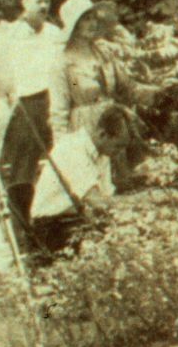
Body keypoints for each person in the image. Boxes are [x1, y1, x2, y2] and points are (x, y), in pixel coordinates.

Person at [49, 0, 156, 183]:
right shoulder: (63, 62)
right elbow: (60, 108)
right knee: (97, 183)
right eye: (86, 19)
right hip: (85, 130)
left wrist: (157, 94)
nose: (92, 23)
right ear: (74, 24)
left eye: (94, 18)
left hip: (113, 125)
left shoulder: (103, 53)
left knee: (126, 184)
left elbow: (127, 87)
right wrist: (63, 149)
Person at [0, 0, 64, 230]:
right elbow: (0, 74)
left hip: (54, 101)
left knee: (62, 159)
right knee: (24, 166)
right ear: (24, 2)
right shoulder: (10, 35)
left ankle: (52, 221)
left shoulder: (54, 33)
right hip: (25, 105)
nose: (44, 6)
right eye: (38, 1)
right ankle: (21, 226)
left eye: (47, 1)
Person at [27, 105, 131, 260]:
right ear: (102, 134)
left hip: (72, 220)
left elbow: (107, 198)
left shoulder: (103, 153)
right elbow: (97, 202)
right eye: (118, 146)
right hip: (50, 226)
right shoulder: (73, 148)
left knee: (121, 239)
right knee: (107, 247)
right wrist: (138, 203)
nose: (120, 152)